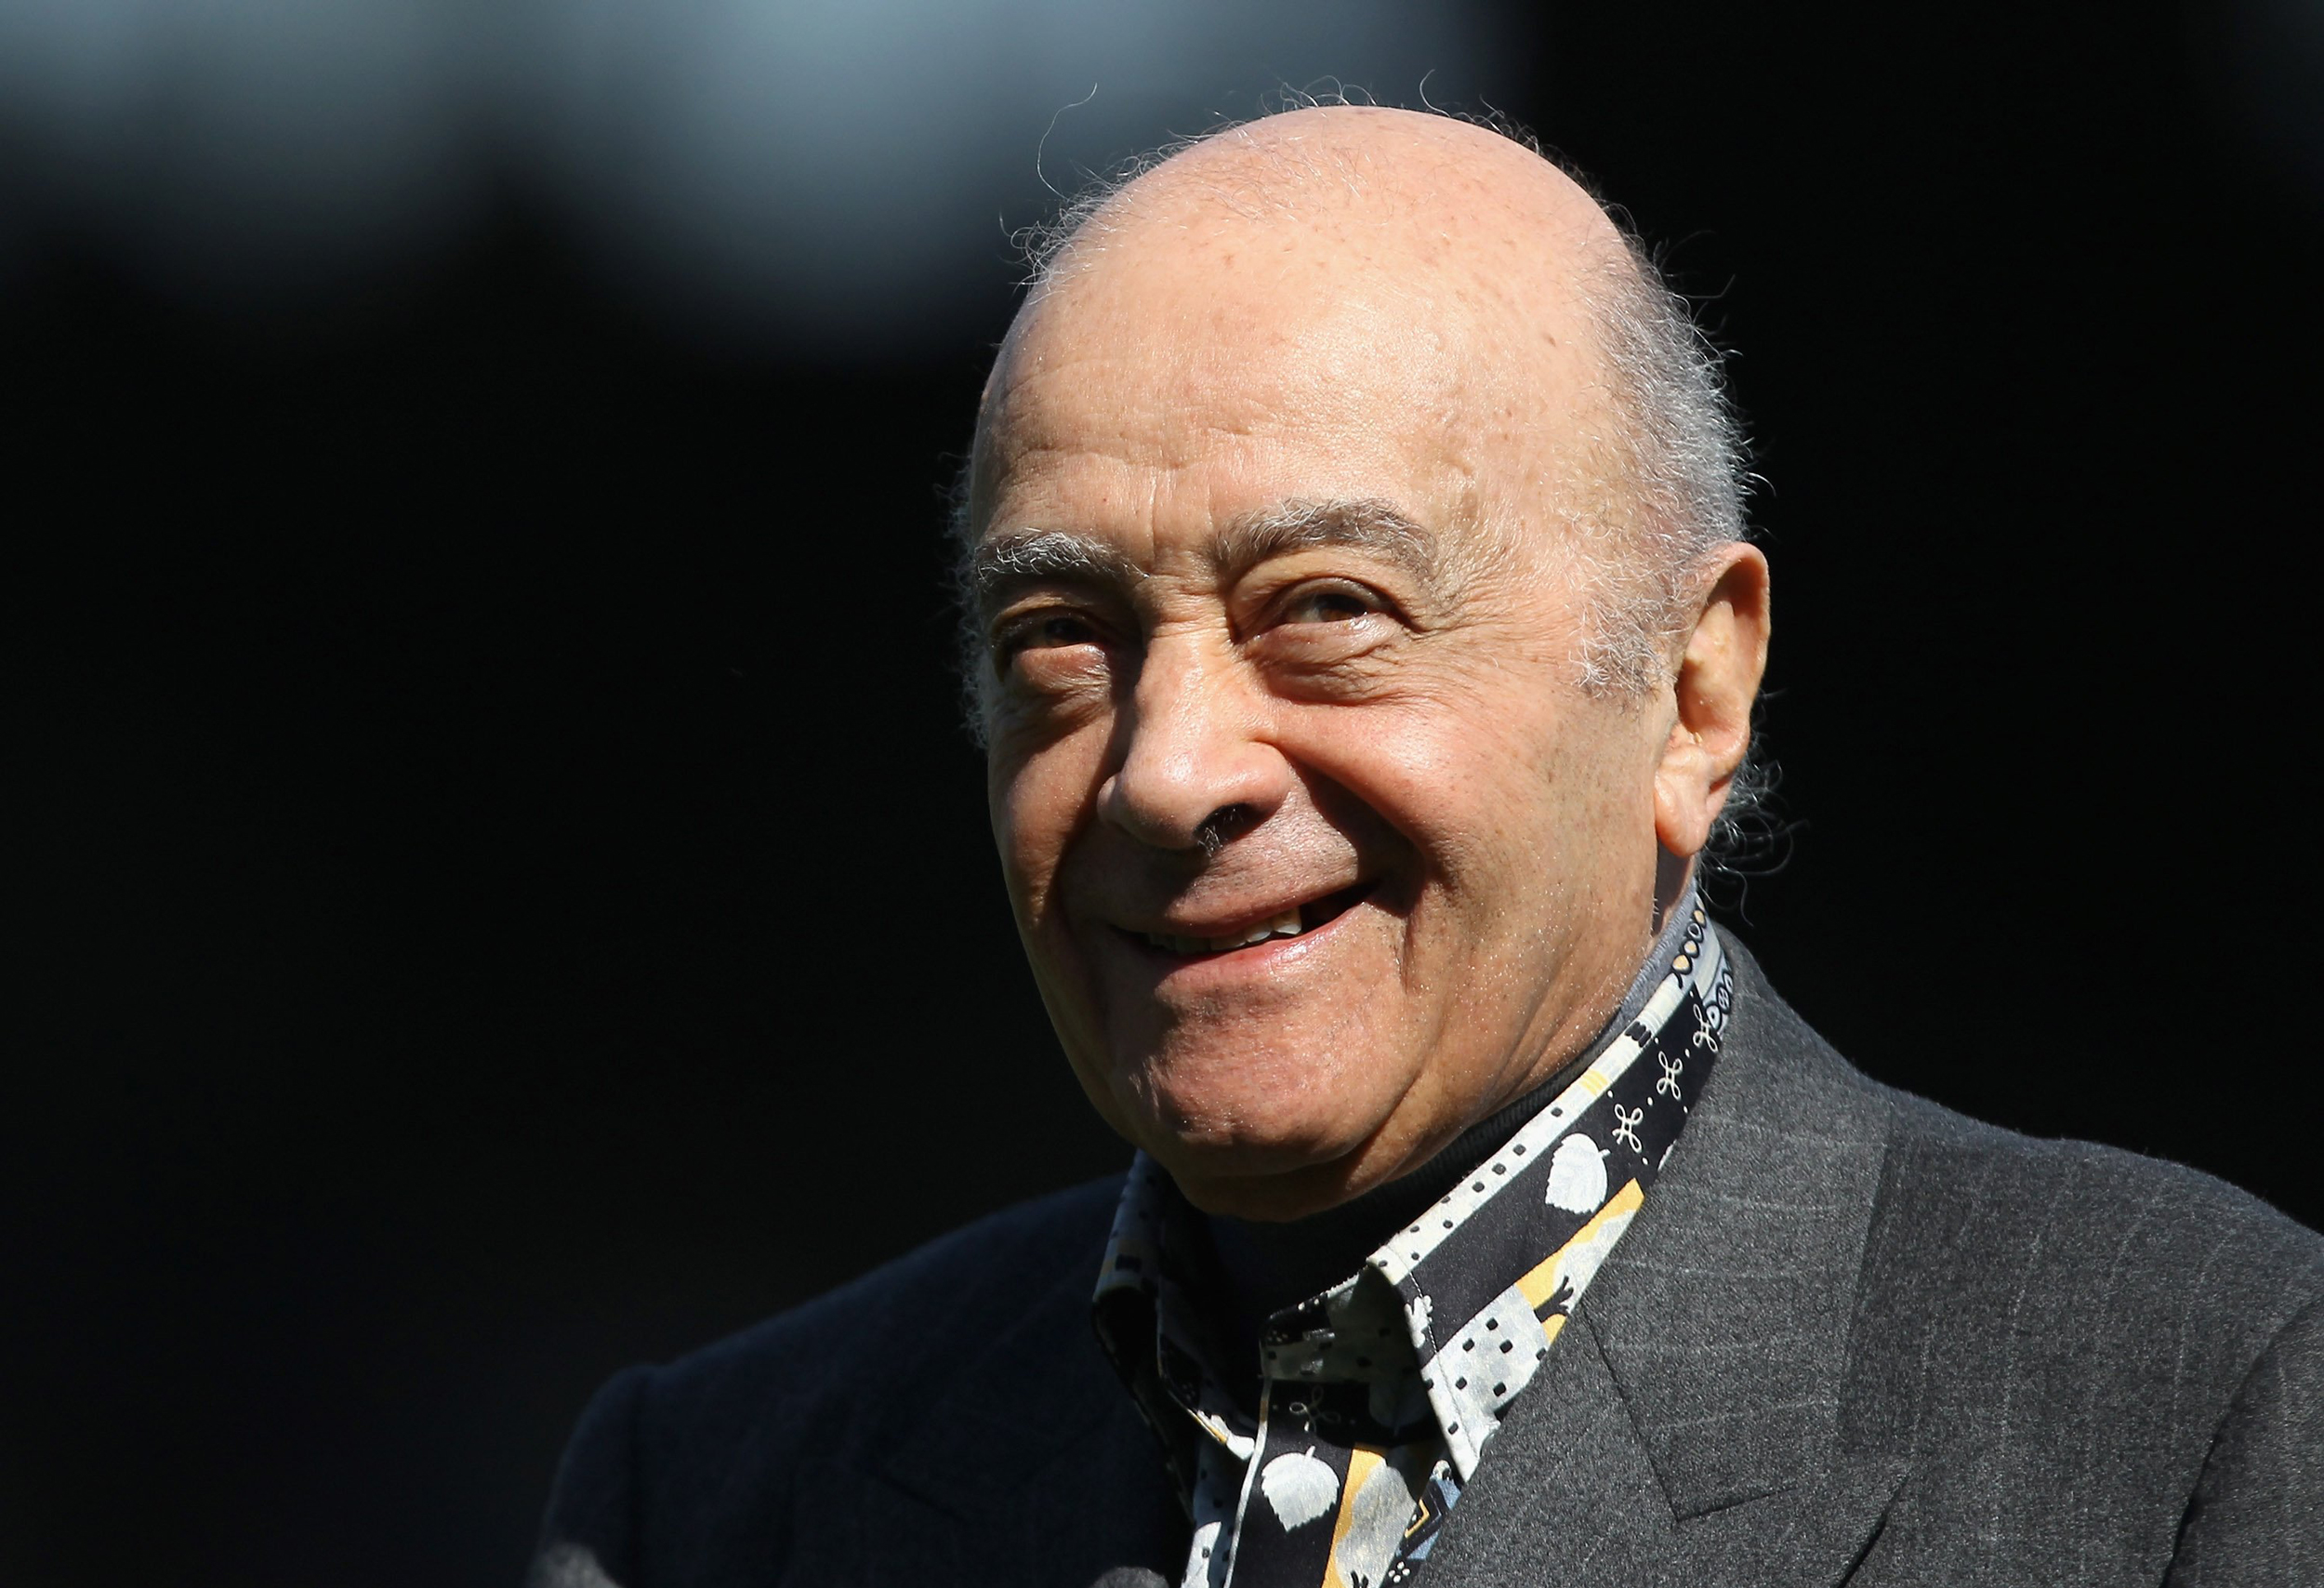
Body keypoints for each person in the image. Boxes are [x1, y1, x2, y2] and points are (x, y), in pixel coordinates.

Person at [530, 105, 2323, 1588]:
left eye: (1327, 610)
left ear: (1691, 691)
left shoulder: (2195, 1415)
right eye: (1063, 641)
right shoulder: (710, 1506)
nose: (1167, 770)